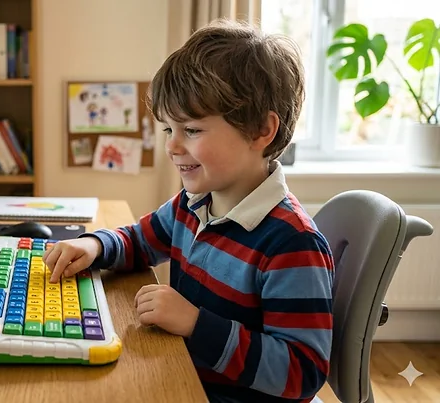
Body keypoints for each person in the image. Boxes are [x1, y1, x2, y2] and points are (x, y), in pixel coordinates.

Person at [43, 18, 334, 403]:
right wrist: (94, 247)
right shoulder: (193, 204)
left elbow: (302, 373)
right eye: (168, 130)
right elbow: (139, 240)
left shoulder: (292, 243)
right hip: (182, 378)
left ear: (262, 131)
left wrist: (197, 325)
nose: (172, 147)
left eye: (192, 131)